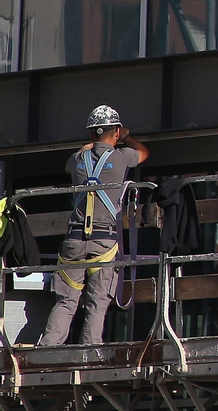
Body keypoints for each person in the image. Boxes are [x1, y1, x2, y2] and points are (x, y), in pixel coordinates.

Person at [38, 105, 150, 346]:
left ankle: (47, 349)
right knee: (97, 302)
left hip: (74, 241)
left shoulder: (78, 159)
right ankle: (89, 351)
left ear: (90, 135)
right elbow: (143, 152)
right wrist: (127, 136)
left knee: (66, 300)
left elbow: (68, 167)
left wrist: (87, 147)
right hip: (104, 242)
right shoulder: (121, 157)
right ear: (116, 132)